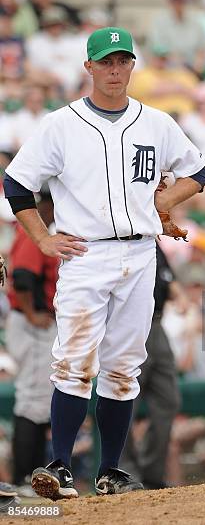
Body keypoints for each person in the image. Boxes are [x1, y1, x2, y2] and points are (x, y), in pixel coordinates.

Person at [2, 26, 205, 499]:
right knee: (73, 363)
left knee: (123, 367)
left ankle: (111, 469)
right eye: (106, 62)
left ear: (133, 65)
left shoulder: (156, 122)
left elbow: (198, 171)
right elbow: (17, 185)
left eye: (123, 61)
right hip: (86, 251)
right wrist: (43, 238)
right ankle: (58, 466)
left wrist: (161, 205)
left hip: (139, 253)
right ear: (89, 67)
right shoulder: (61, 123)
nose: (116, 70)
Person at [5, 187, 57, 495]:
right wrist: (30, 313)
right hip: (30, 322)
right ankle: (25, 478)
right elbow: (22, 276)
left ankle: (30, 479)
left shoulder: (40, 232)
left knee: (38, 402)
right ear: (46, 204)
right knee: (32, 401)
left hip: (32, 321)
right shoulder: (33, 232)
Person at [120, 243, 182, 490]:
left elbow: (169, 281)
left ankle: (152, 473)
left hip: (157, 324)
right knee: (124, 399)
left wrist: (184, 298)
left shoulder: (152, 243)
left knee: (169, 400)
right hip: (130, 326)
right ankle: (125, 472)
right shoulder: (120, 239)